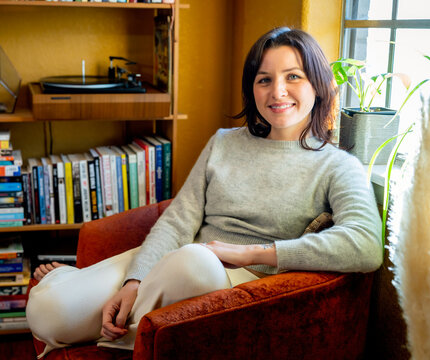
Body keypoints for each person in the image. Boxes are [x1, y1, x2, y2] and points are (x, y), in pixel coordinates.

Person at [26, 27, 382, 358]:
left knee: (196, 262)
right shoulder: (223, 143)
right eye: (264, 79)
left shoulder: (338, 166)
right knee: (46, 312)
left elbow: (365, 245)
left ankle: (110, 324)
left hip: (229, 282)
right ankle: (122, 323)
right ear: (252, 89)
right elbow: (179, 219)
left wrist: (248, 254)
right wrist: (134, 281)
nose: (278, 91)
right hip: (174, 262)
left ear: (317, 85)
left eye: (293, 76)